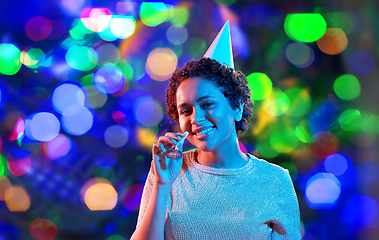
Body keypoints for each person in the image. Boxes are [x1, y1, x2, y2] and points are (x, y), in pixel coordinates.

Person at [131, 21, 301, 240]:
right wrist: (163, 185)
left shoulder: (275, 180)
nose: (196, 118)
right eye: (186, 110)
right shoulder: (165, 172)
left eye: (207, 104)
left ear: (237, 107)